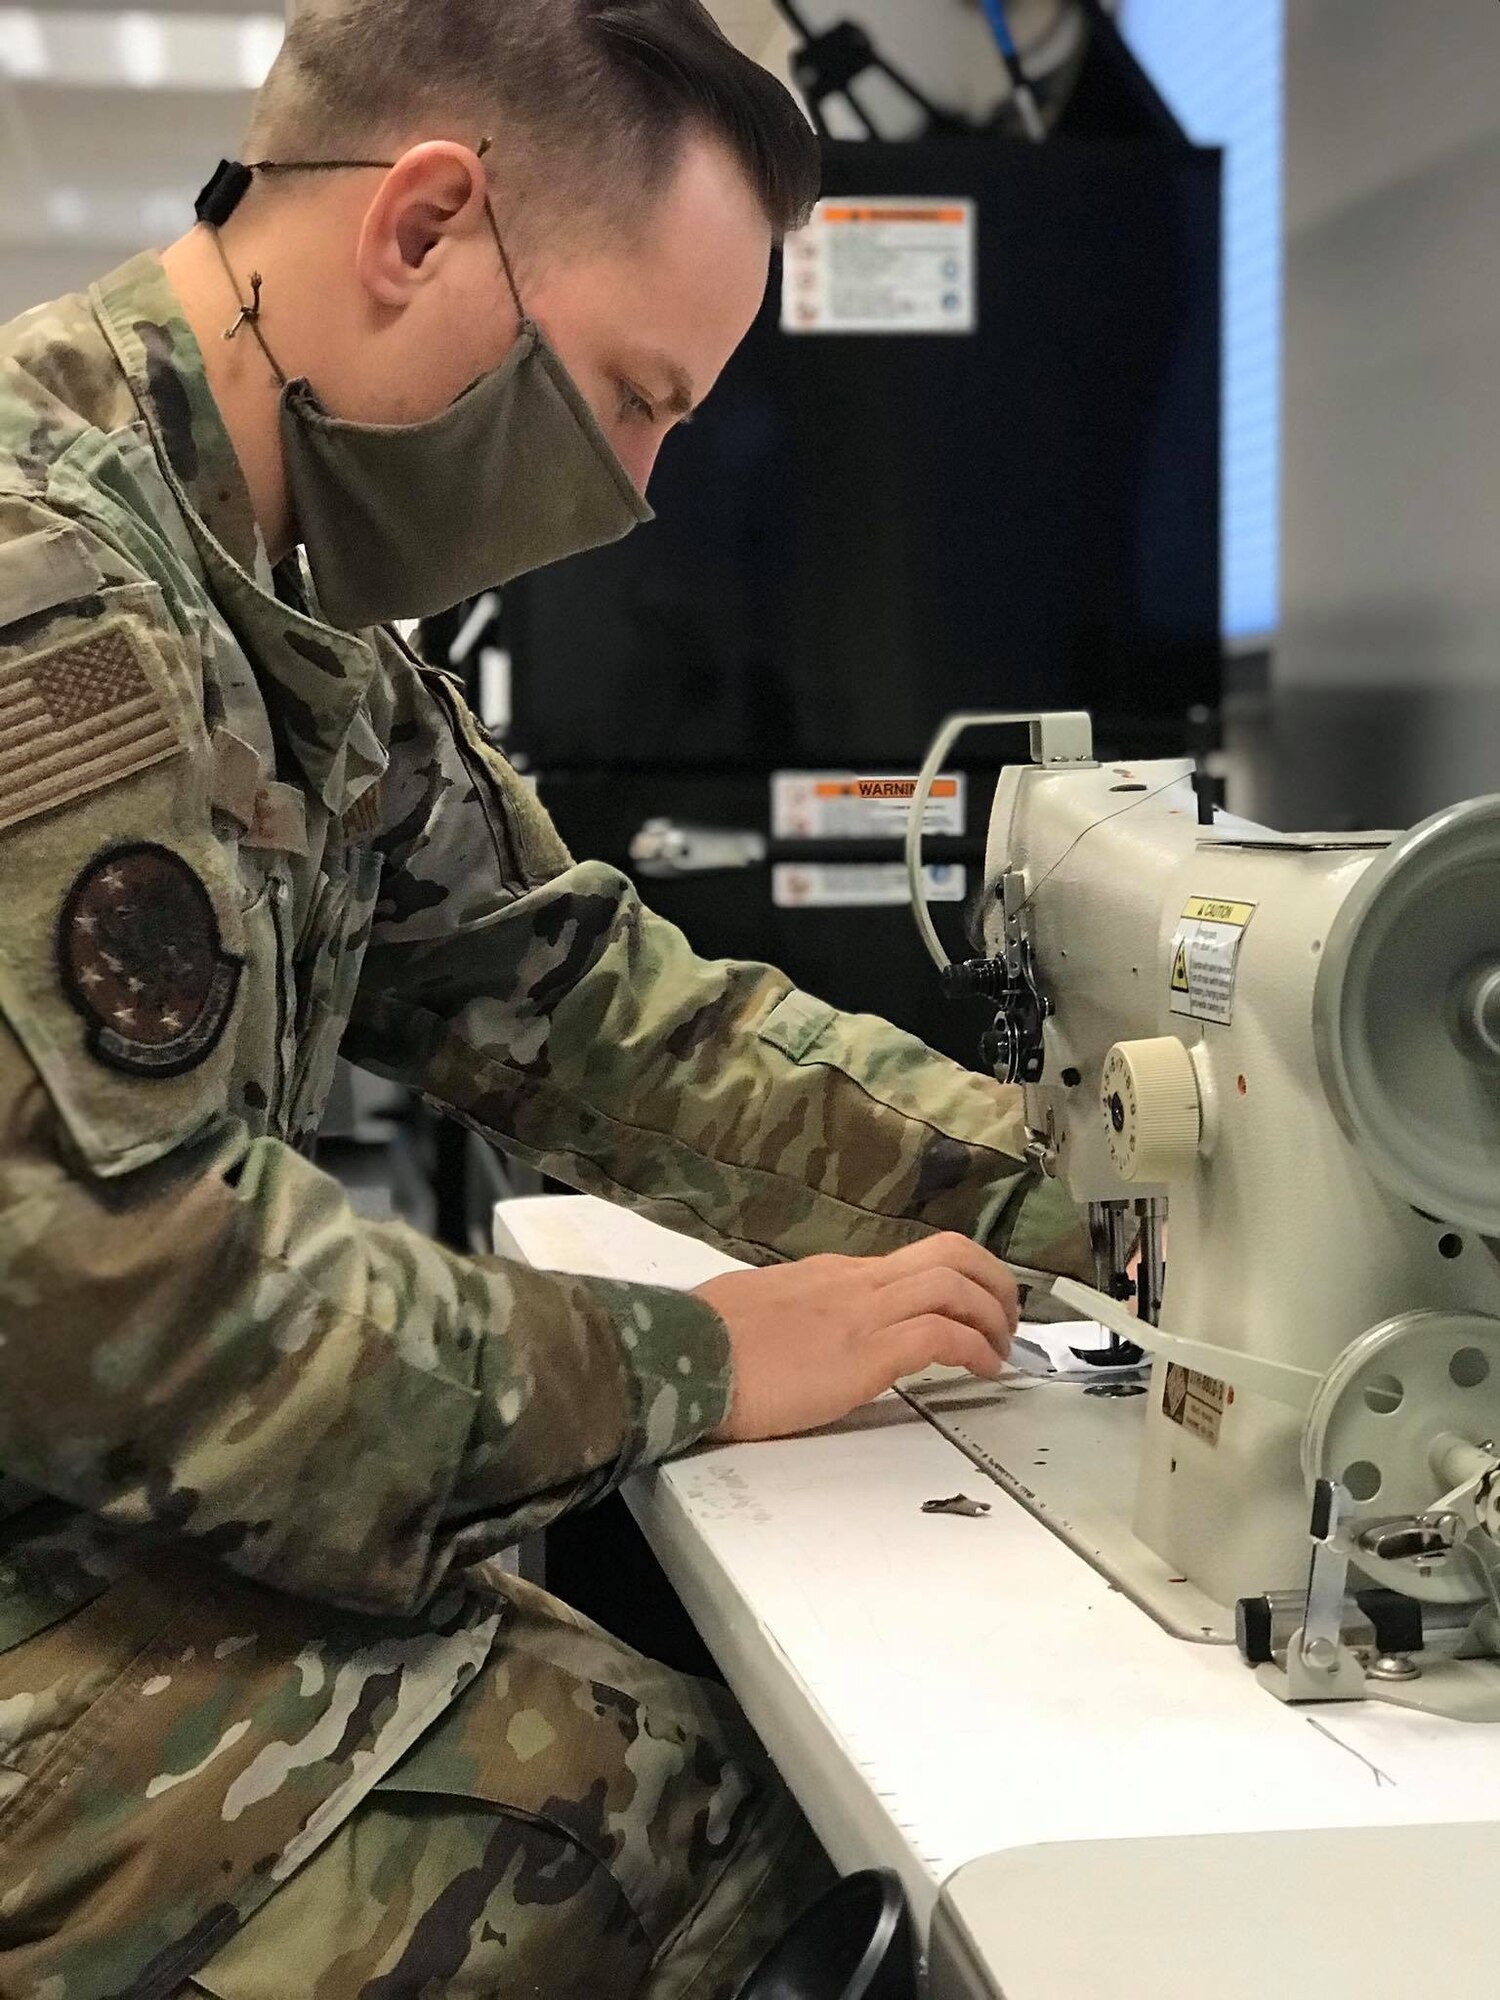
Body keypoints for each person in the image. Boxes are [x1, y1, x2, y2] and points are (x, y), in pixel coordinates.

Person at [0, 2, 1088, 1993]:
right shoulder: (49, 591)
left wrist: (1072, 1187)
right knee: (686, 1836)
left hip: (73, 1533)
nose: (648, 489)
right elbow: (134, 1304)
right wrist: (699, 1358)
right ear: (420, 227)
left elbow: (590, 1007)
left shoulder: (281, 610)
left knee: (665, 1703)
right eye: (630, 394)